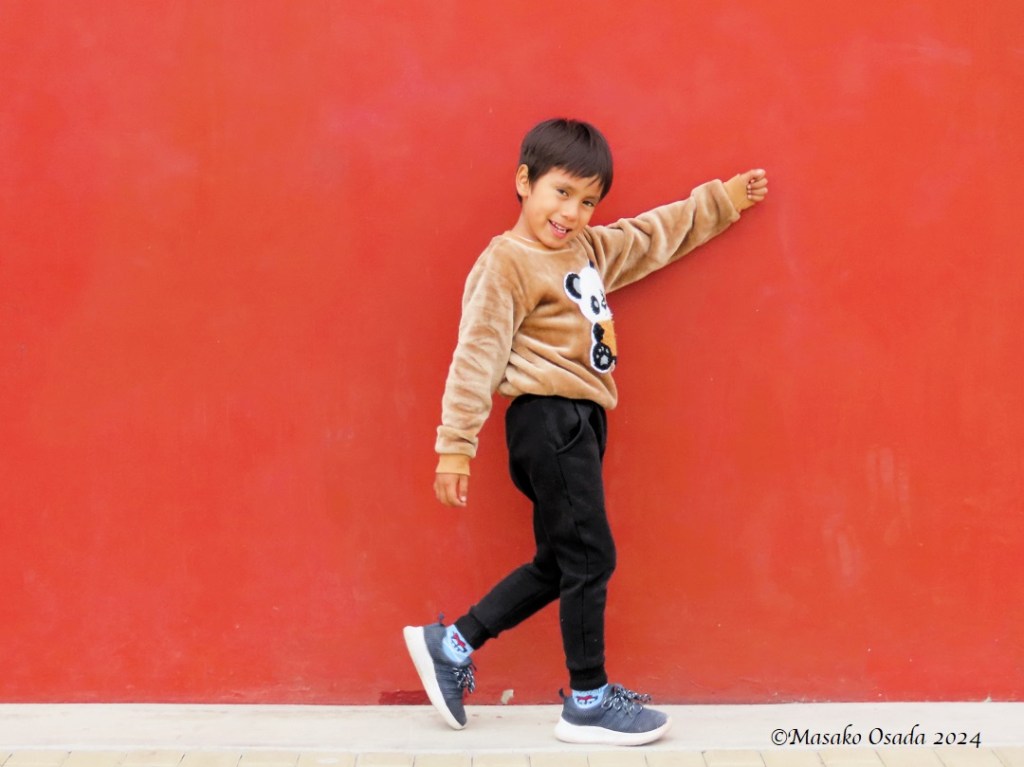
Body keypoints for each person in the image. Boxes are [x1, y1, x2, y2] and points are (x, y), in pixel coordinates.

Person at [403, 117, 768, 746]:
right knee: (593, 556)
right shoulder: (507, 262)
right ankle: (589, 701)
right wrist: (454, 448)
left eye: (589, 200)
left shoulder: (590, 251)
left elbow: (653, 235)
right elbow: (476, 355)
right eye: (561, 192)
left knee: (562, 560)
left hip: (581, 423)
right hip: (547, 417)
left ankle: (453, 642)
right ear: (525, 181)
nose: (572, 212)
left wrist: (722, 201)